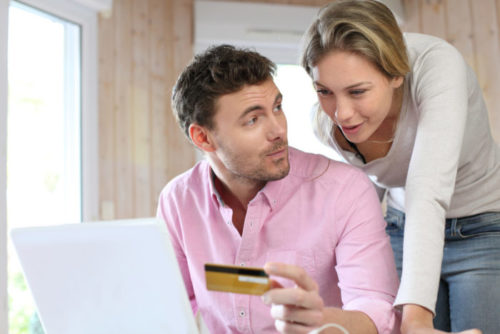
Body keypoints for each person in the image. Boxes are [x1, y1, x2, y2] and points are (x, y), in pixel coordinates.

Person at [157, 44, 401, 334]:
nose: (279, 131)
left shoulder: (344, 191)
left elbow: (376, 309)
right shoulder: (178, 201)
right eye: (253, 119)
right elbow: (170, 304)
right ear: (203, 138)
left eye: (277, 108)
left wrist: (322, 323)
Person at [300, 1, 500, 334]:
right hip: (402, 227)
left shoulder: (437, 67)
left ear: (396, 74)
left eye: (357, 91)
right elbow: (356, 198)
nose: (341, 113)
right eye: (324, 91)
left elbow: (426, 190)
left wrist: (417, 321)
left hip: (481, 227)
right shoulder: (327, 126)